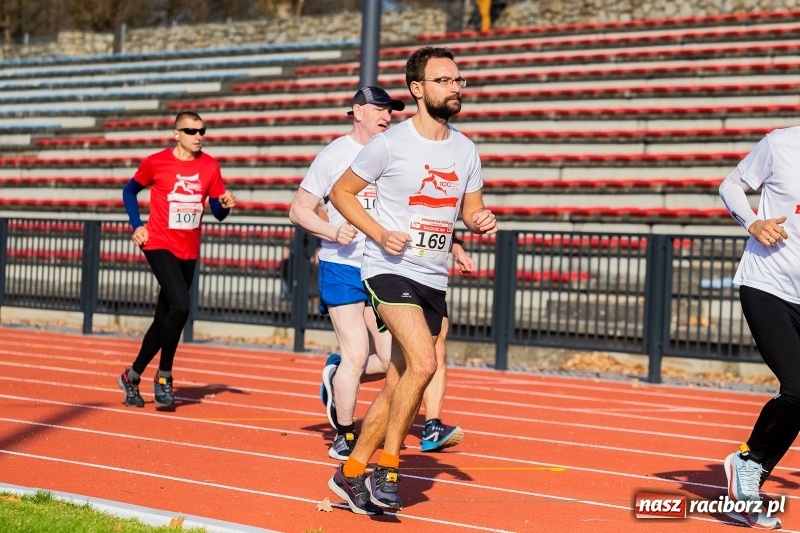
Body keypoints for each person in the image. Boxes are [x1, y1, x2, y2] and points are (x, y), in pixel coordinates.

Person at [326, 46, 497, 515]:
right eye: (444, 80)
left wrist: (480, 220)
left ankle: (350, 474)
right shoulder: (390, 144)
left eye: (458, 80)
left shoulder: (466, 149)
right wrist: (380, 233)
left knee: (400, 379)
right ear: (417, 89)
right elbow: (341, 193)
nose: (455, 88)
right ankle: (388, 470)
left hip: (433, 276)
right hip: (388, 268)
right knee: (424, 363)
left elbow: (471, 209)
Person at [289, 86, 467, 461]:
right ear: (357, 112)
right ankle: (345, 434)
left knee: (392, 362)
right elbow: (299, 209)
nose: (387, 115)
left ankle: (337, 375)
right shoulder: (334, 155)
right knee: (356, 354)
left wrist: (452, 243)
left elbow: (421, 209)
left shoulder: (397, 150)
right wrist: (331, 231)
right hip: (343, 266)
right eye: (379, 109)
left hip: (386, 268)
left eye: (391, 110)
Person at [117, 111, 235, 410]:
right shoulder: (156, 162)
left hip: (189, 249)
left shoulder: (210, 165)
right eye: (191, 131)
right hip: (158, 242)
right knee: (181, 306)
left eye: (202, 131)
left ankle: (132, 376)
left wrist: (224, 206)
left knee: (164, 318)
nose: (198, 136)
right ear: (176, 134)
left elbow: (217, 212)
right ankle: (164, 376)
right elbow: (129, 191)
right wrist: (137, 226)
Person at [718, 127, 799, 530]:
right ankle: (747, 462)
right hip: (768, 285)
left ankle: (747, 484)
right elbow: (730, 185)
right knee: (799, 388)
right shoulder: (780, 144)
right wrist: (752, 222)